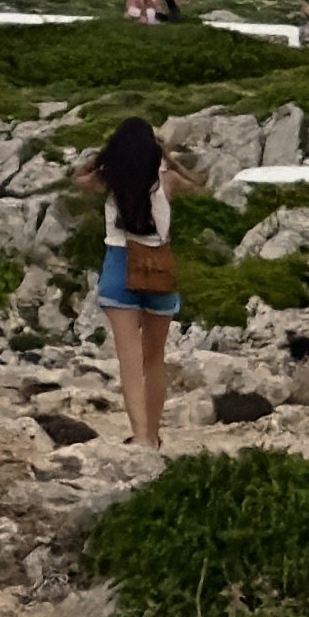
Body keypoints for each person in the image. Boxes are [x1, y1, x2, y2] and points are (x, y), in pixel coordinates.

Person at [79, 113, 184, 454]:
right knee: (154, 360)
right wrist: (166, 155)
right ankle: (152, 434)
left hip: (119, 266)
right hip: (159, 269)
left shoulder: (110, 180)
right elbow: (200, 183)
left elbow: (79, 178)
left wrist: (103, 155)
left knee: (129, 360)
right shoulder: (167, 180)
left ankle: (139, 436)